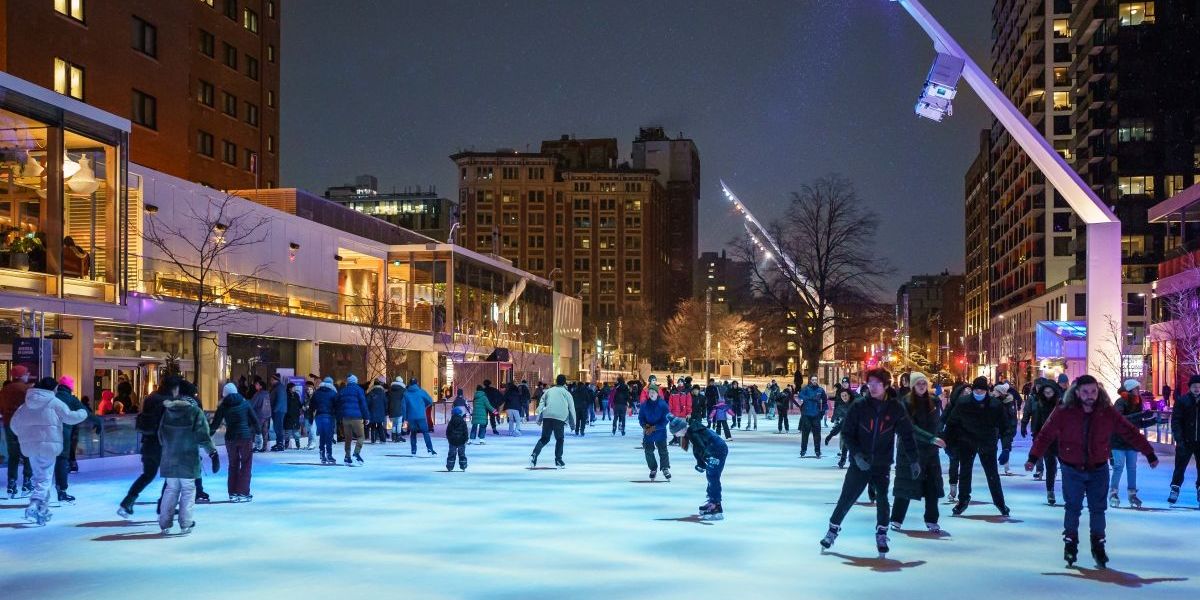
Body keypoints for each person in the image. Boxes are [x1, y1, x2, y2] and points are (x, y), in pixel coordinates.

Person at [1026, 374, 1158, 568]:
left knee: (1098, 509)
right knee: (1073, 507)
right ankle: (1070, 543)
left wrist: (1149, 453)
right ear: (1077, 392)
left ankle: (1098, 545)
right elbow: (1045, 434)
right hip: (1072, 468)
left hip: (1098, 468)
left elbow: (1128, 431)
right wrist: (1033, 457)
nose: (1090, 395)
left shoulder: (1107, 412)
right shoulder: (1064, 411)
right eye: (1086, 392)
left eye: (1094, 391)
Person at [820, 368, 919, 554]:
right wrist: (857, 456)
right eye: (870, 383)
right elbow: (847, 434)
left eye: (877, 383)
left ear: (886, 385)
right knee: (846, 498)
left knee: (882, 499)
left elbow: (906, 434)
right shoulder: (859, 406)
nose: (872, 387)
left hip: (881, 464)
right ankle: (832, 530)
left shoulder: (895, 408)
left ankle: (882, 533)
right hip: (860, 463)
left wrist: (914, 460)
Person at [9, 377, 87, 525]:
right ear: (52, 389)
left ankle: (42, 510)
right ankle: (34, 505)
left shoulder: (25, 405)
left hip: (31, 447)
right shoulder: (54, 402)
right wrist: (83, 412)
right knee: (44, 479)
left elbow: (14, 425)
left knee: (40, 477)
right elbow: (70, 417)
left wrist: (27, 435)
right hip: (47, 446)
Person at [943, 376, 1013, 517]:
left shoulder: (995, 405)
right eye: (977, 390)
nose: (979, 393)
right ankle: (963, 501)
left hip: (987, 443)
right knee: (965, 473)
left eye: (982, 391)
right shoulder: (963, 403)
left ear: (987, 391)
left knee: (992, 474)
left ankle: (1000, 503)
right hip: (967, 442)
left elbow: (1006, 427)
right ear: (973, 390)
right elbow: (951, 424)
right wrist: (948, 445)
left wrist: (1006, 448)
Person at [889, 372, 948, 533]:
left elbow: (939, 424)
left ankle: (932, 519)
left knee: (932, 487)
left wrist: (941, 437)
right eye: (918, 384)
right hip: (909, 451)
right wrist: (931, 439)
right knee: (906, 485)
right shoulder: (905, 403)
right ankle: (896, 518)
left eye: (923, 383)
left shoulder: (934, 401)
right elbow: (908, 428)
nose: (921, 386)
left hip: (930, 453)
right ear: (912, 386)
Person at [157, 384, 219, 535]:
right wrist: (212, 453)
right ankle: (185, 523)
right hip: (188, 459)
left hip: (169, 459)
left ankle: (165, 524)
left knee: (170, 490)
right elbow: (203, 436)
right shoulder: (195, 412)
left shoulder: (168, 411)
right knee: (188, 490)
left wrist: (169, 448)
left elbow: (160, 435)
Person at [118, 376, 179, 518]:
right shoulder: (168, 402)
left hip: (148, 443)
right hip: (163, 445)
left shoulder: (151, 398)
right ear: (173, 388)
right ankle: (163, 508)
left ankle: (127, 502)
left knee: (147, 475)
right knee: (171, 477)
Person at [1108, 379, 1157, 508]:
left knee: (1132, 467)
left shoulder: (1138, 402)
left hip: (1131, 440)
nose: (1138, 391)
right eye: (1136, 388)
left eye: (1138, 388)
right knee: (1118, 466)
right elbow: (1119, 420)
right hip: (1118, 440)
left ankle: (1132, 493)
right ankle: (1113, 492)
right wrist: (1140, 414)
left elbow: (1137, 423)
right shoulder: (1120, 402)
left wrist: (1153, 421)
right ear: (1130, 390)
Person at [670, 416, 728, 520]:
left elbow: (701, 447)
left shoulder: (693, 432)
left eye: (675, 432)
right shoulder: (691, 431)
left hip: (717, 450)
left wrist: (709, 458)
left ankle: (716, 505)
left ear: (680, 429)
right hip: (715, 449)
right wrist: (701, 464)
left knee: (713, 476)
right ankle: (712, 500)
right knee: (711, 476)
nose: (675, 435)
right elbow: (697, 450)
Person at [210, 382, 257, 501]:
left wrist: (207, 436)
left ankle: (233, 493)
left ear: (224, 394)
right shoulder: (245, 403)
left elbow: (215, 424)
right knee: (246, 464)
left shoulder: (223, 406)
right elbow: (254, 419)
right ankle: (243, 492)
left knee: (233, 464)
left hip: (230, 438)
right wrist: (259, 433)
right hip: (245, 437)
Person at [1022, 378, 1064, 505]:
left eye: (1050, 392)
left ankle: (1070, 491)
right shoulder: (1039, 404)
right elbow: (1037, 422)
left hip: (1062, 441)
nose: (1048, 395)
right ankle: (1050, 491)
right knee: (1050, 466)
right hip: (1047, 440)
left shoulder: (1061, 405)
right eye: (1046, 392)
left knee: (1067, 467)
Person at [52, 376, 88, 504]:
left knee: (45, 465)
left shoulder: (52, 399)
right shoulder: (70, 399)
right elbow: (85, 411)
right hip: (64, 436)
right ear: (70, 387)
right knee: (62, 460)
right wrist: (97, 422)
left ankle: (38, 494)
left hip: (46, 436)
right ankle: (61, 490)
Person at [1168, 374, 1200, 505]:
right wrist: (1179, 440)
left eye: (1199, 386)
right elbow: (1176, 422)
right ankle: (1174, 489)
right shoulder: (1182, 401)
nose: (1197, 389)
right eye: (1194, 386)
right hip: (1185, 441)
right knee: (1180, 467)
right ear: (1190, 387)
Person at [531, 375, 575, 469]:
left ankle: (535, 453)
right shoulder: (566, 393)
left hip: (547, 416)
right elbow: (571, 409)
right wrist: (573, 424)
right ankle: (558, 459)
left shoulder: (549, 391)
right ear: (564, 382)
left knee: (545, 438)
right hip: (559, 417)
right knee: (559, 439)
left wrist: (539, 414)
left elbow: (542, 402)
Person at [2, 365, 32, 498]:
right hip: (25, 425)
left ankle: (11, 483)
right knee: (27, 454)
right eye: (26, 374)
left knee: (13, 456)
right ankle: (27, 482)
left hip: (9, 425)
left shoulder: (4, 390)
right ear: (21, 375)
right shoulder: (27, 390)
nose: (27, 375)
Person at [639, 385, 672, 481]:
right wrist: (645, 426)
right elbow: (641, 418)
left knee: (663, 450)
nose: (651, 394)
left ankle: (665, 468)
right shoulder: (645, 404)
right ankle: (653, 468)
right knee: (648, 450)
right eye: (650, 392)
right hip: (648, 431)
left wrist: (654, 427)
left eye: (653, 392)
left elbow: (666, 419)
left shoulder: (663, 405)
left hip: (660, 431)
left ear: (657, 393)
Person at [335, 374, 369, 465]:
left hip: (345, 418)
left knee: (348, 438)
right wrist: (366, 417)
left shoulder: (343, 391)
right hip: (357, 417)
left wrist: (339, 416)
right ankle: (356, 453)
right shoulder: (359, 390)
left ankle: (347, 456)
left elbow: (338, 404)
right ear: (356, 381)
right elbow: (363, 405)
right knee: (361, 436)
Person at [307, 377, 339, 465]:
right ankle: (329, 454)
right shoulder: (333, 393)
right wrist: (337, 417)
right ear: (331, 384)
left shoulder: (316, 393)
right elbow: (337, 407)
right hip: (329, 417)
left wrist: (311, 418)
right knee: (329, 436)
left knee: (322, 436)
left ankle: (322, 454)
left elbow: (311, 406)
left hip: (319, 417)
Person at [402, 379, 437, 456]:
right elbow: (430, 401)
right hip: (421, 416)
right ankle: (430, 449)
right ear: (417, 383)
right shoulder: (421, 392)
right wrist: (424, 406)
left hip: (411, 417)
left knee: (413, 433)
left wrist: (405, 418)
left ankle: (413, 450)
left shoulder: (406, 394)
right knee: (425, 433)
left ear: (410, 384)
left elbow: (403, 407)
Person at [825, 388, 855, 468]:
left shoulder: (856, 403)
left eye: (845, 395)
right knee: (845, 444)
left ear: (849, 395)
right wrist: (830, 435)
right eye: (842, 396)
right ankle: (843, 460)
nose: (844, 397)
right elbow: (841, 425)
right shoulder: (842, 407)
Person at [798, 375, 828, 458]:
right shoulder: (806, 389)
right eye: (813, 380)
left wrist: (822, 412)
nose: (814, 381)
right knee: (805, 434)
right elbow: (800, 396)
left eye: (815, 379)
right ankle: (803, 450)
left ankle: (817, 451)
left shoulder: (820, 390)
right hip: (806, 415)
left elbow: (825, 402)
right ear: (810, 380)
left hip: (816, 415)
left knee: (817, 435)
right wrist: (809, 398)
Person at [993, 382, 1019, 475]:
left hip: (1006, 428)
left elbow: (1013, 418)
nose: (994, 393)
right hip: (994, 428)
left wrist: (1012, 430)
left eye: (996, 392)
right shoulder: (993, 401)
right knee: (992, 448)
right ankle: (992, 467)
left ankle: (1007, 468)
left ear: (1001, 393)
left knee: (1006, 449)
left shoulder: (1010, 402)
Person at [250, 379, 271, 452]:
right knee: (265, 431)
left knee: (257, 431)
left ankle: (257, 446)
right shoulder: (267, 394)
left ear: (261, 386)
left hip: (259, 415)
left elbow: (252, 404)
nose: (255, 385)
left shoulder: (258, 394)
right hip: (267, 415)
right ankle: (264, 446)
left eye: (257, 384)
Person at [445, 406, 469, 471]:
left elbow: (448, 431)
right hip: (461, 441)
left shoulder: (451, 422)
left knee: (451, 454)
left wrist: (449, 438)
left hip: (452, 441)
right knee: (462, 454)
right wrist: (466, 439)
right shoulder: (463, 422)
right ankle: (463, 465)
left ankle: (450, 466)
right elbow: (465, 431)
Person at [269, 373, 289, 452]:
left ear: (275, 380)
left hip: (279, 411)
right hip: (277, 410)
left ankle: (280, 443)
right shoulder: (276, 387)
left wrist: (275, 410)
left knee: (278, 427)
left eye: (271, 380)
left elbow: (280, 400)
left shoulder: (279, 387)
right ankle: (279, 443)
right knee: (277, 427)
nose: (270, 381)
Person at [366, 377, 389, 444]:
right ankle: (383, 439)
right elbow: (385, 402)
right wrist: (386, 411)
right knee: (380, 425)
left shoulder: (371, 393)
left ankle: (373, 440)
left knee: (373, 426)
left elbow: (367, 403)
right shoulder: (383, 393)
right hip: (381, 412)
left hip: (372, 412)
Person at [388, 377, 408, 443]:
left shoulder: (390, 389)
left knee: (394, 423)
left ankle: (393, 437)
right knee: (399, 423)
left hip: (391, 408)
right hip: (399, 408)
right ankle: (398, 437)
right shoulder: (403, 390)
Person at [284, 382, 303, 449]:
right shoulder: (286, 395)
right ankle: (286, 444)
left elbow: (299, 404)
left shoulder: (296, 395)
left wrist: (302, 407)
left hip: (295, 416)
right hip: (288, 416)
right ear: (289, 388)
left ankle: (298, 445)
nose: (295, 388)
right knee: (287, 432)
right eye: (293, 387)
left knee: (296, 432)